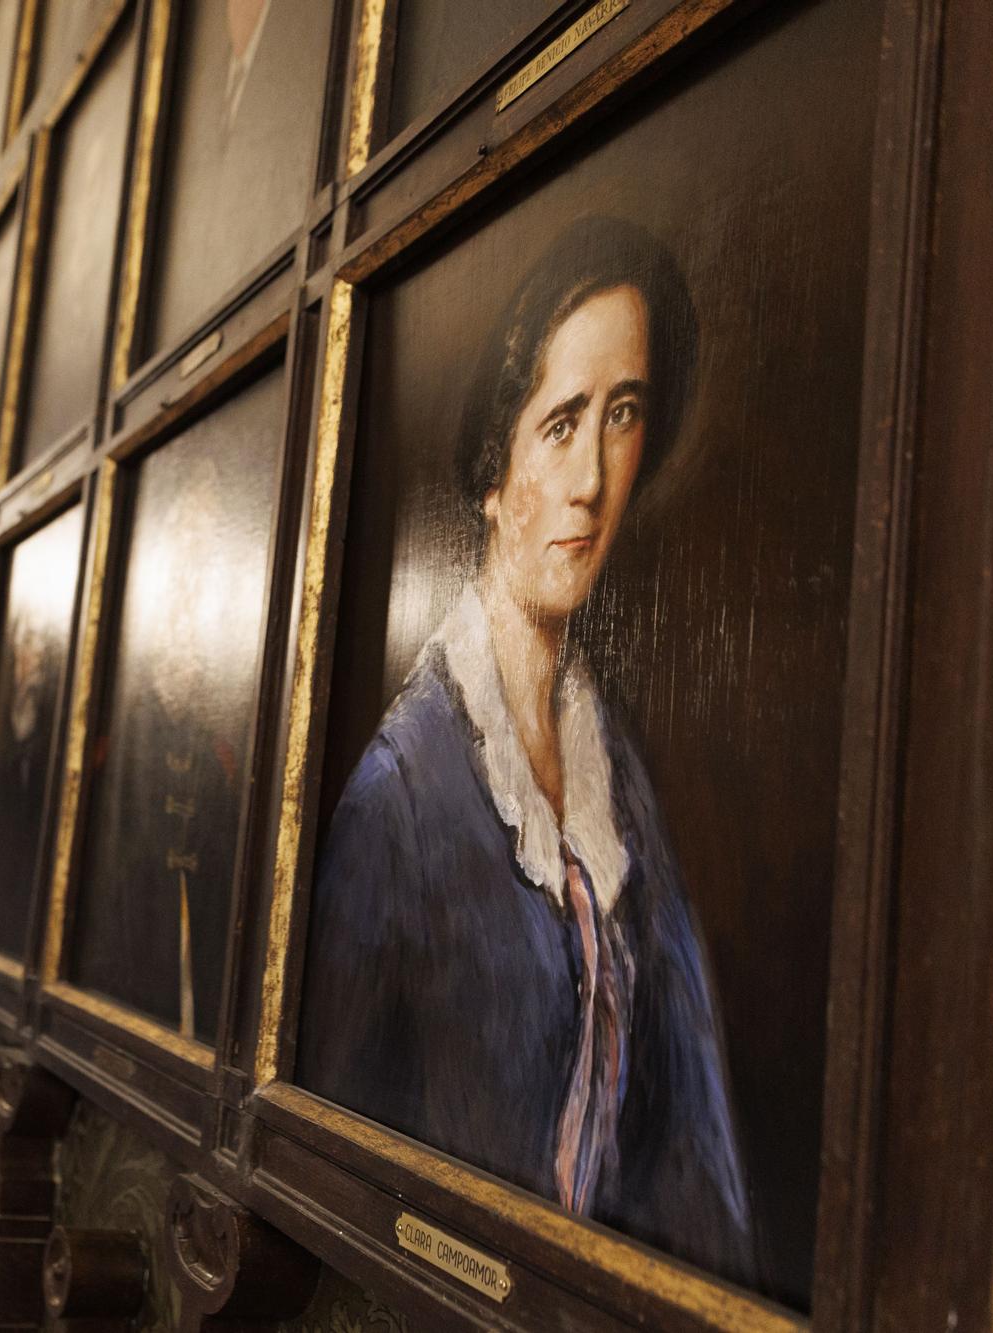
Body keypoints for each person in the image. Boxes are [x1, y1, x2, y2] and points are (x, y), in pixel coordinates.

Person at [295, 217, 758, 1283]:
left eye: (622, 415)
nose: (593, 478)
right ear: (493, 472)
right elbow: (334, 1174)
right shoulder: (398, 796)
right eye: (559, 424)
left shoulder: (616, 784)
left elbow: (690, 1141)